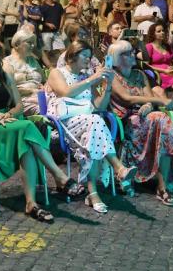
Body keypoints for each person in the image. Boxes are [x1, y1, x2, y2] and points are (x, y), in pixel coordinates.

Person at [0, 34, 79, 221]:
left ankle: (31, 204)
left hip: (10, 122)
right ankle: (59, 176)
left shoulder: (4, 75)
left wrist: (8, 115)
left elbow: (19, 106)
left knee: (27, 144)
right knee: (27, 126)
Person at [108, 40, 173, 204]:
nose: (133, 55)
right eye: (128, 53)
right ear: (117, 57)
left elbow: (148, 97)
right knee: (161, 120)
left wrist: (149, 104)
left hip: (147, 119)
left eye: (132, 51)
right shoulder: (112, 76)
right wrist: (158, 101)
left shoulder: (140, 75)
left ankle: (163, 187)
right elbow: (126, 98)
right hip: (127, 125)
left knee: (161, 129)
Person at [46, 40, 136, 213]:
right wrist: (93, 78)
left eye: (90, 56)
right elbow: (65, 92)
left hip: (87, 125)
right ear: (72, 56)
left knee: (93, 130)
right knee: (96, 123)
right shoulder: (57, 73)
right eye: (85, 56)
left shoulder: (85, 77)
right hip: (64, 123)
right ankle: (119, 167)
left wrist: (107, 85)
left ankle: (93, 193)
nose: (89, 60)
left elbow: (98, 107)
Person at [145, 21, 173, 90]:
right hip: (158, 75)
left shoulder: (167, 46)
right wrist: (163, 70)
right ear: (153, 34)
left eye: (163, 31)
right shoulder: (149, 46)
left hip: (172, 73)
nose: (162, 33)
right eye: (159, 31)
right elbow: (146, 65)